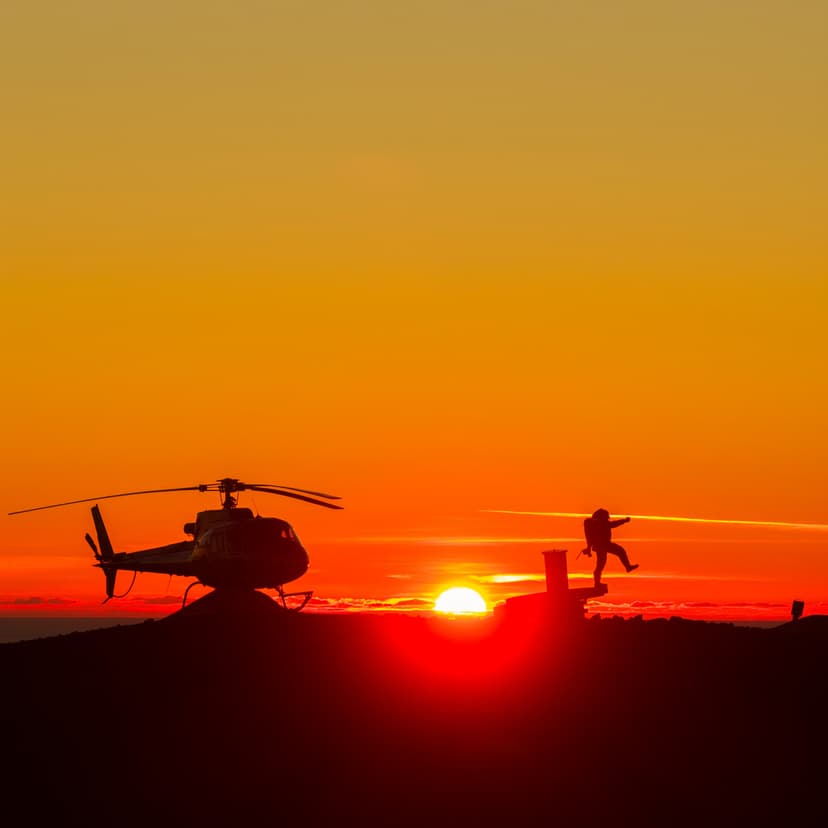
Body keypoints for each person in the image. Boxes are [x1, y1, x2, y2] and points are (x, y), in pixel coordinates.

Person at [581, 508, 638, 587]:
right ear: (602, 517)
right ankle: (597, 583)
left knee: (618, 552)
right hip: (602, 545)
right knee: (601, 564)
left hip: (604, 545)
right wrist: (624, 521)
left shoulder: (598, 523)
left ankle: (628, 567)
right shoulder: (601, 523)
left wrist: (588, 548)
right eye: (606, 517)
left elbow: (589, 537)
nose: (608, 519)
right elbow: (614, 524)